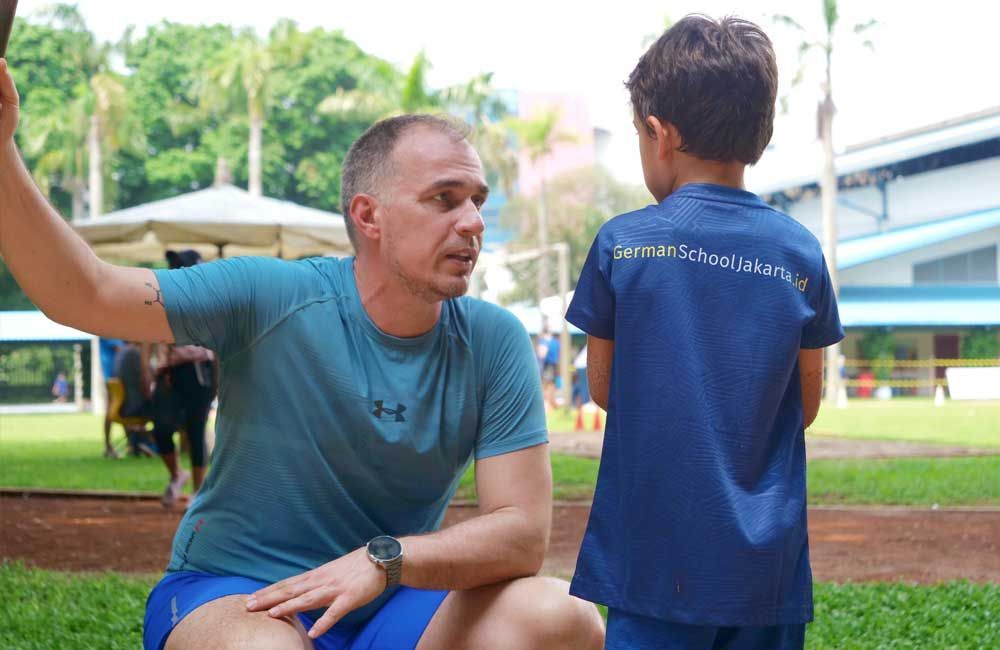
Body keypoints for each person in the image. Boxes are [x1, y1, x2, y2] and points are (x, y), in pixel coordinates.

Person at [0, 58, 604, 650]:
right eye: (444, 198)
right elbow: (86, 292)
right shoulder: (274, 294)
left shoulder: (493, 339)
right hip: (238, 592)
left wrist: (385, 561)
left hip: (393, 595)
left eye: (477, 198)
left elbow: (522, 534)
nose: (473, 221)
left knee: (564, 618)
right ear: (368, 215)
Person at [565, 16, 843, 650]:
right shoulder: (800, 252)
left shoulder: (623, 243)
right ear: (760, 135)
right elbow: (805, 405)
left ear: (659, 135)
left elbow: (606, 389)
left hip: (655, 559)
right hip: (765, 568)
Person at [151, 249, 218, 509]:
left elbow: (217, 345)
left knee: (196, 429)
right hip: (170, 372)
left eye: (179, 265)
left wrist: (217, 381)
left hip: (200, 372)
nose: (175, 269)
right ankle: (177, 475)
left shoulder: (209, 302)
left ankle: (198, 492)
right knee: (161, 428)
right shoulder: (165, 298)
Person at [100, 337, 124, 458]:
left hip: (113, 375)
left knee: (116, 408)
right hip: (114, 376)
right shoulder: (108, 330)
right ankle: (108, 446)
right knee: (112, 409)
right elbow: (120, 350)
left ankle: (132, 443)